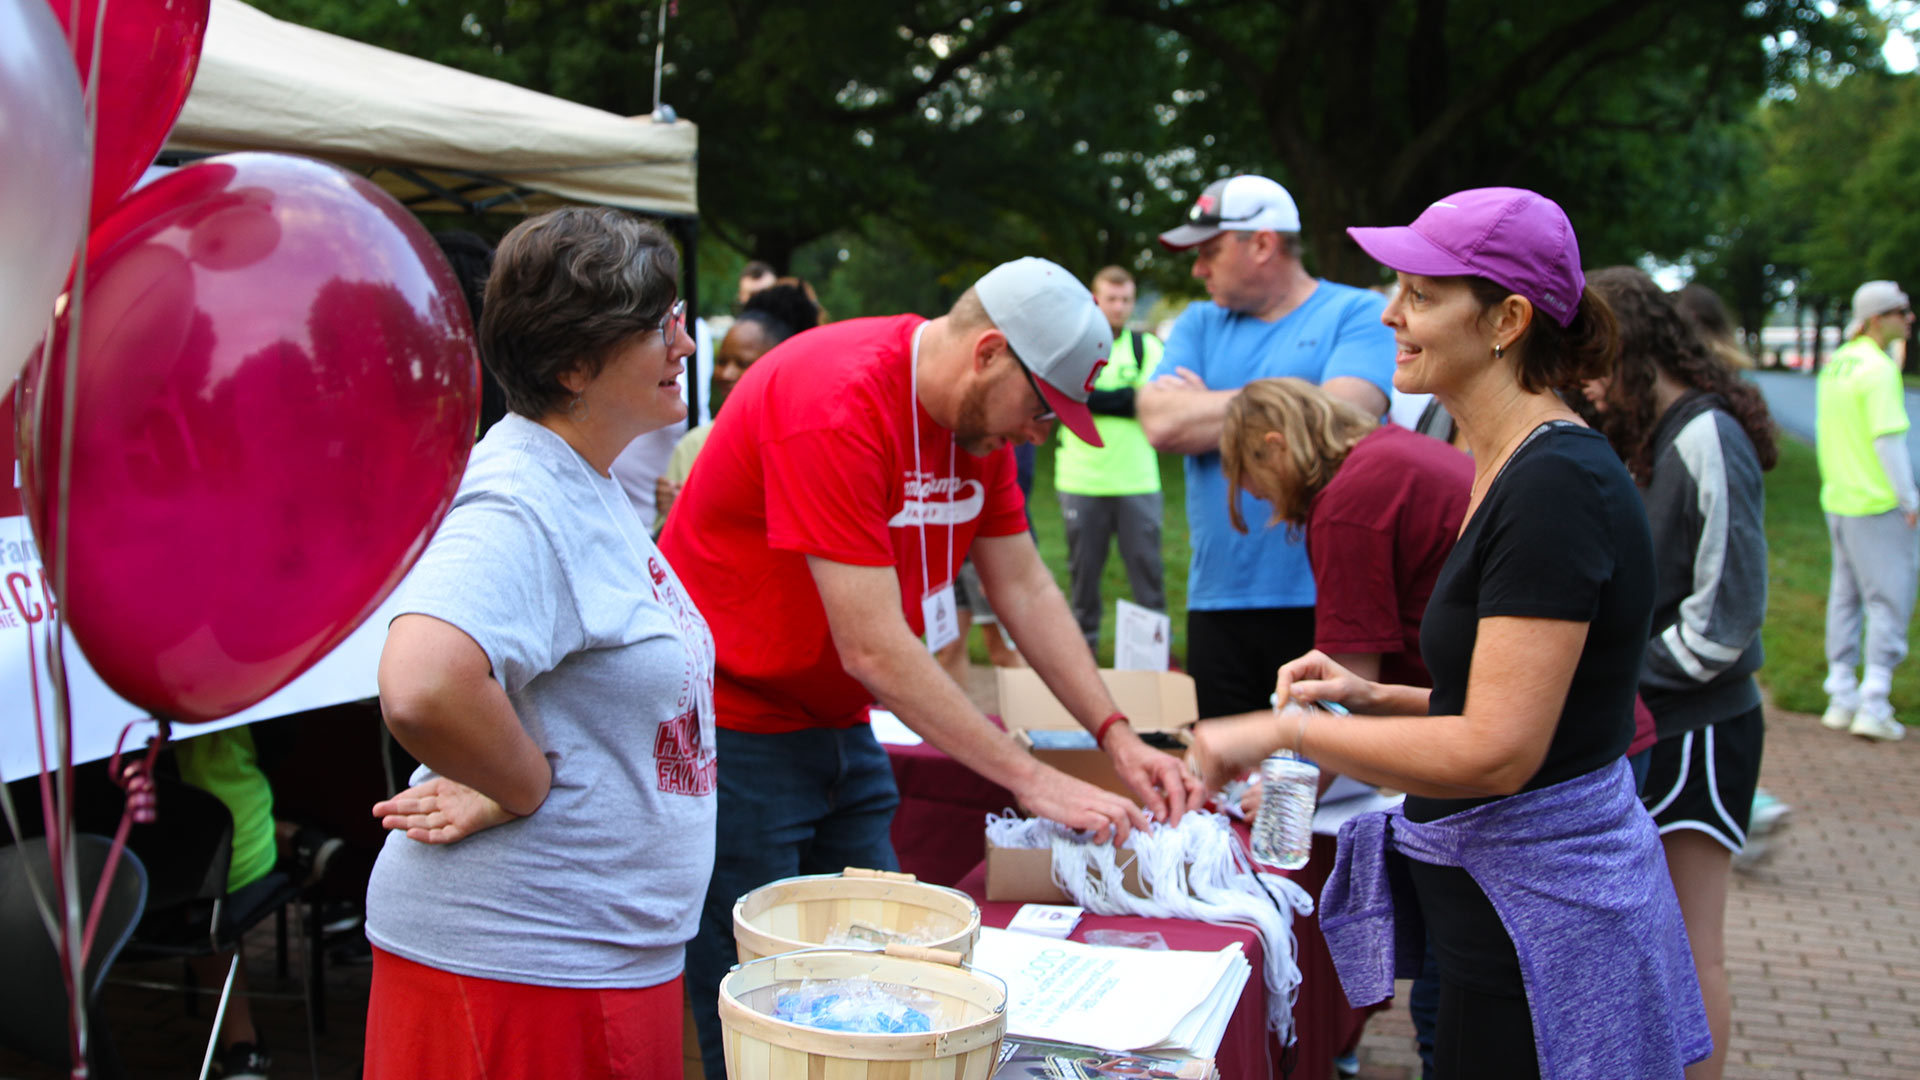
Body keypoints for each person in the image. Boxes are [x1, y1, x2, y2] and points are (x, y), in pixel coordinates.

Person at [1187, 188, 1710, 1078]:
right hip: (1506, 906)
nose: (1391, 312)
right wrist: (1372, 695)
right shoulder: (1507, 462)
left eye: (1421, 295)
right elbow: (1521, 698)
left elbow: (1501, 751)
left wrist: (1289, 730)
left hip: (1537, 922)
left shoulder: (1553, 484)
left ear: (1506, 319)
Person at [660, 256, 1204, 1080]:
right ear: (989, 352)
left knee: (886, 983)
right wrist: (1034, 777)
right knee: (758, 999)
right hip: (737, 724)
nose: (1038, 433)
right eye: (1040, 407)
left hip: (839, 721)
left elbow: (1021, 581)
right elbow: (874, 646)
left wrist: (1115, 731)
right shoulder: (837, 401)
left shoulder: (973, 423)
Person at [362, 208, 715, 1080]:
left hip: (581, 963)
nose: (685, 347)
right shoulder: (522, 498)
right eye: (658, 327)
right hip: (520, 969)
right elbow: (424, 683)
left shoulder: (577, 481)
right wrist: (521, 785)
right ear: (574, 365)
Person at [1218, 376, 1469, 1079]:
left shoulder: (1352, 500)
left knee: (1450, 1004)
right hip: (1512, 727)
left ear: (1277, 444)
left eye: (1256, 482)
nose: (1268, 504)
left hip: (1486, 754)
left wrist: (1289, 792)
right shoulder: (1390, 455)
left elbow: (1342, 685)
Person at [1580, 266, 1775, 1080]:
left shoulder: (1705, 434)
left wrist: (1618, 678)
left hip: (1701, 724)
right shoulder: (1654, 438)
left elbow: (1727, 617)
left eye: (1592, 363)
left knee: (1694, 943)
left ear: (1629, 353)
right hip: (1657, 716)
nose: (1584, 386)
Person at [1140, 173, 1394, 719]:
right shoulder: (1200, 321)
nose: (1197, 269)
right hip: (1217, 598)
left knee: (1321, 783)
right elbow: (1161, 422)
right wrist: (1301, 397)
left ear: (1262, 244)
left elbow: (1344, 421)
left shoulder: (1357, 313)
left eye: (1209, 251)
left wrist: (1206, 403)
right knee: (1222, 786)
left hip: (1328, 597)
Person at [1815, 279, 1917, 742]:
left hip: (1838, 498)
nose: (1908, 318)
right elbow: (1888, 441)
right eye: (1901, 311)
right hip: (1876, 502)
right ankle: (1874, 702)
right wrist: (1909, 498)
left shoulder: (1837, 364)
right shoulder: (1878, 370)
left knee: (1846, 597)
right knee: (1889, 599)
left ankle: (1841, 695)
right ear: (1878, 318)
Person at [1055, 265, 1167, 652]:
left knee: (1148, 581)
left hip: (1138, 480)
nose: (1118, 307)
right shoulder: (1072, 345)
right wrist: (1126, 398)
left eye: (1125, 300)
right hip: (1081, 481)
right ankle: (1081, 664)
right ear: (1095, 299)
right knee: (1083, 582)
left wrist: (1099, 398)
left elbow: (1153, 403)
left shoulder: (1146, 348)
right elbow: (1067, 399)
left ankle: (1155, 663)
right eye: (1111, 298)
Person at [653, 282, 821, 527]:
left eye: (742, 363)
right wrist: (674, 512)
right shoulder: (695, 446)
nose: (727, 373)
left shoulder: (810, 445)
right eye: (722, 361)